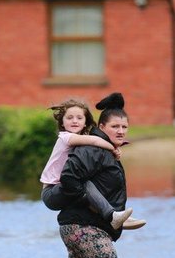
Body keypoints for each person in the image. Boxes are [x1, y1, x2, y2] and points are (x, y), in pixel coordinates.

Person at [56, 92, 133, 258]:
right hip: (87, 228)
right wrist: (91, 206)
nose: (120, 131)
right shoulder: (93, 149)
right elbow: (69, 178)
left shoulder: (103, 149)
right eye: (115, 126)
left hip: (74, 228)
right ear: (101, 127)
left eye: (124, 127)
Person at [40, 98, 146, 231]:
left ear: (85, 122)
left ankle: (114, 215)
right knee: (85, 183)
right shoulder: (65, 137)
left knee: (85, 182)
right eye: (69, 118)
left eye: (79, 118)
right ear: (62, 121)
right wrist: (112, 148)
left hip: (59, 190)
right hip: (50, 192)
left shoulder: (79, 140)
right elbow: (95, 140)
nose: (74, 121)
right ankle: (111, 215)